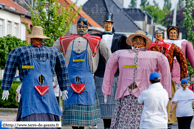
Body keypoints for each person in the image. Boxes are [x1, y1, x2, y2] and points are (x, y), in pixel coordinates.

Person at [1, 26, 69, 129]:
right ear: (31, 38)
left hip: (46, 94)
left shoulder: (53, 52)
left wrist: (64, 88)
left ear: (42, 38)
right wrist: (6, 87)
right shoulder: (21, 52)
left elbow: (62, 69)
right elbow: (10, 67)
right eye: (36, 37)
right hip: (29, 94)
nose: (38, 39)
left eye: (39, 37)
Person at [102, 30, 171, 129]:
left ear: (144, 42)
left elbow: (165, 72)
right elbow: (109, 69)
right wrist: (106, 90)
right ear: (132, 42)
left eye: (140, 40)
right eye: (135, 39)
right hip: (125, 95)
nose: (138, 42)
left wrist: (165, 92)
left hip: (143, 96)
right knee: (124, 122)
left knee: (142, 121)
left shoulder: (156, 56)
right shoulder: (120, 54)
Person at [53, 17, 111, 129]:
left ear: (87, 27)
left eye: (84, 26)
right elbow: (52, 55)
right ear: (76, 26)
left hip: (88, 80)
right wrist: (55, 75)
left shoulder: (96, 40)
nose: (81, 28)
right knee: (72, 112)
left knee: (85, 114)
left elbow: (110, 57)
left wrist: (110, 73)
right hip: (69, 80)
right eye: (79, 26)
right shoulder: (64, 40)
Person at [91, 13, 131, 129]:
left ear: (112, 25)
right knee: (100, 98)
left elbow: (127, 55)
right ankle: (99, 123)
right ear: (103, 24)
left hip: (115, 72)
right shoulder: (96, 37)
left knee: (113, 99)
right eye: (105, 23)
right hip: (100, 71)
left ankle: (113, 125)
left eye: (109, 23)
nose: (107, 25)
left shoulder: (121, 37)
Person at [148, 30, 187, 127]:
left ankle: (168, 120)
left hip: (167, 77)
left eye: (160, 34)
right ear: (154, 35)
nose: (158, 36)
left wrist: (183, 77)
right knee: (153, 98)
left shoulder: (171, 46)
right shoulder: (149, 47)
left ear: (163, 35)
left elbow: (182, 59)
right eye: (156, 34)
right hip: (152, 77)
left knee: (168, 98)